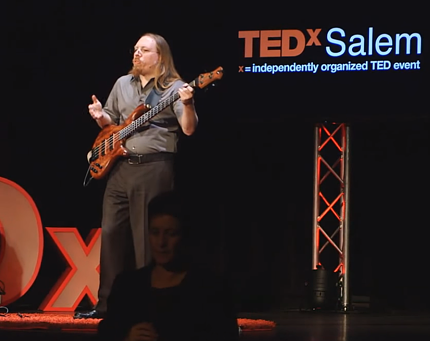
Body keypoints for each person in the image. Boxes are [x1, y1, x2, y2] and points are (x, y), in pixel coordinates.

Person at [74, 32, 198, 319]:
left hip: (153, 167)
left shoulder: (174, 88)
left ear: (160, 57)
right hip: (119, 170)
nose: (136, 54)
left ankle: (151, 306)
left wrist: (188, 103)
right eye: (135, 49)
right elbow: (113, 125)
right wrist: (99, 117)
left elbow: (189, 129)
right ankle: (107, 306)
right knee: (112, 236)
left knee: (148, 239)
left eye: (144, 50)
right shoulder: (122, 84)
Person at [97, 190, 240, 341]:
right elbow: (107, 331)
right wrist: (126, 337)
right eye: (154, 232)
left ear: (186, 235)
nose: (161, 243)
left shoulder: (210, 289)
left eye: (171, 233)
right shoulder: (127, 285)